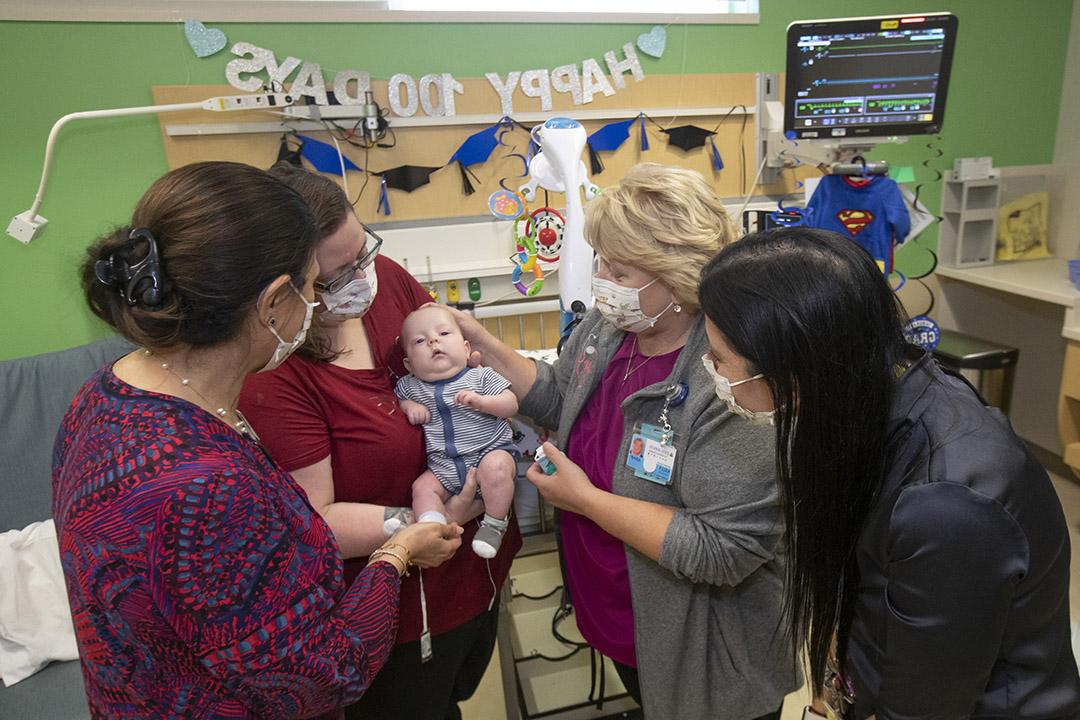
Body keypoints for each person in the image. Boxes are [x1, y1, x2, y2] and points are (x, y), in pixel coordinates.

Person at [54, 161, 463, 720]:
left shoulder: (103, 396)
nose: (322, 306)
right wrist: (397, 551)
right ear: (273, 302)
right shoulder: (205, 483)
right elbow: (321, 676)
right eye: (315, 287)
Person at [452, 163, 800, 719]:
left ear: (682, 274)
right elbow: (558, 397)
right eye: (600, 263)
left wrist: (584, 500)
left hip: (705, 654)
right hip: (617, 611)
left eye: (622, 269)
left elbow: (723, 549)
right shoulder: (609, 329)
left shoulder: (733, 372)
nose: (603, 282)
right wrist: (482, 343)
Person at [698, 226, 1080, 719]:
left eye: (720, 360)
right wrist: (831, 695)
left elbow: (926, 705)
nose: (712, 374)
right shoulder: (869, 394)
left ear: (792, 373)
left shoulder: (945, 504)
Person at [238, 164, 521, 720]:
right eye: (338, 273)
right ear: (282, 289)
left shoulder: (385, 278)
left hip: (477, 569)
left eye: (362, 251)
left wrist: (479, 372)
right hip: (395, 609)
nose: (363, 277)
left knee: (461, 689)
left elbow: (447, 343)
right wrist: (431, 518)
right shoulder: (273, 375)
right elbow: (315, 521)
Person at [394, 306, 519, 558]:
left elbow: (511, 403)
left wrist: (483, 402)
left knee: (497, 468)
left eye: (443, 333)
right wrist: (409, 406)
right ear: (408, 363)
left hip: (487, 454)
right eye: (420, 340)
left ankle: (494, 526)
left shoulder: (481, 377)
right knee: (422, 488)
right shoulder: (410, 386)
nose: (433, 341)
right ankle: (432, 525)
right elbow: (398, 400)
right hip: (444, 468)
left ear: (465, 348)